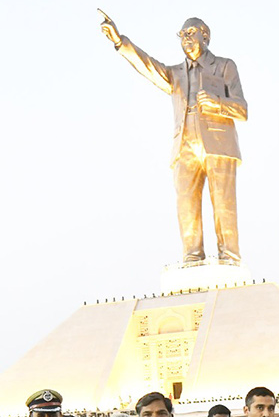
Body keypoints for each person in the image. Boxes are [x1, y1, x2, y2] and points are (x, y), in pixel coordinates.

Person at [100, 13, 247, 263]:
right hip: (185, 144)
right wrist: (119, 41)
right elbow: (147, 66)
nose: (185, 39)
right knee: (186, 206)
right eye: (182, 35)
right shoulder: (175, 74)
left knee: (224, 204)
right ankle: (192, 259)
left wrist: (217, 103)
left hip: (219, 144)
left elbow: (242, 109)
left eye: (190, 33)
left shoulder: (224, 66)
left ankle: (229, 259)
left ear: (205, 35)